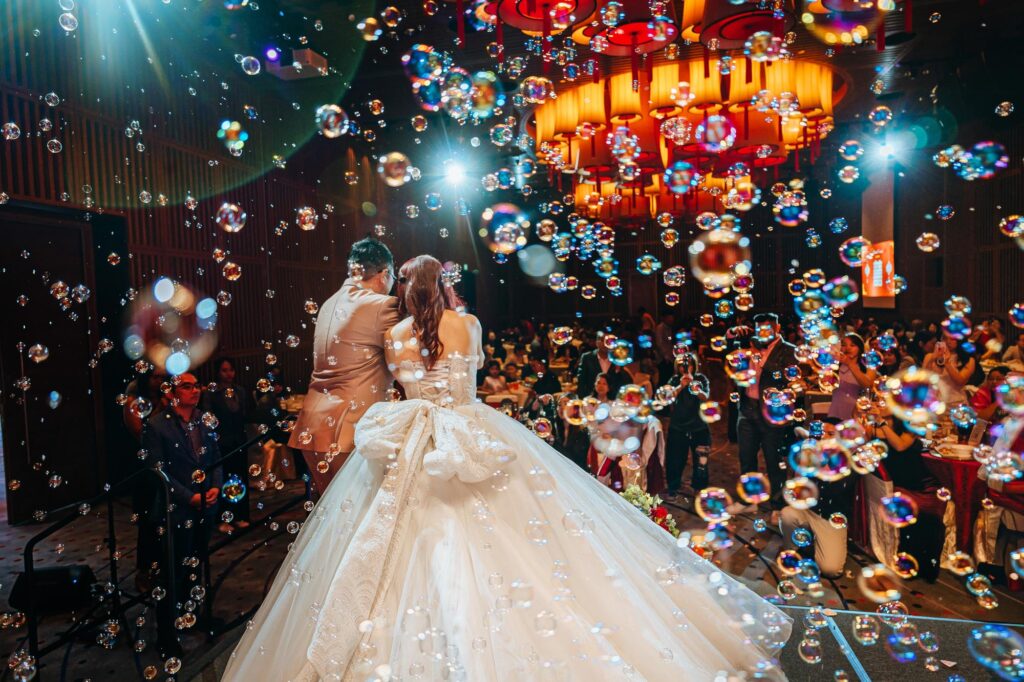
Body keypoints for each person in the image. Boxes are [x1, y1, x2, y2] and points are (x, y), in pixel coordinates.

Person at [222, 255, 792, 681]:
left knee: (394, 540)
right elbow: (469, 370)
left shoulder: (393, 336)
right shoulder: (466, 325)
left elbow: (401, 381)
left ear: (404, 290)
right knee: (529, 536)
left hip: (414, 438)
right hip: (469, 430)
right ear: (443, 286)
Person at [287, 237, 401, 495]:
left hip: (312, 428)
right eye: (393, 277)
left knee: (331, 512)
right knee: (359, 513)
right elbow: (409, 355)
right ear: (384, 274)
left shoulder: (328, 303)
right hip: (349, 431)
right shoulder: (382, 305)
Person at [141, 372, 222, 657]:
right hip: (173, 510)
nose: (195, 390)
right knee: (171, 573)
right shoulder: (156, 425)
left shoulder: (204, 419)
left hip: (205, 506)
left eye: (196, 385)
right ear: (171, 392)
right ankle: (166, 634)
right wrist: (190, 497)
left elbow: (216, 458)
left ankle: (194, 618)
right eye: (187, 386)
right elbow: (157, 472)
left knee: (196, 565)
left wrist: (215, 487)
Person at [732, 313, 797, 518]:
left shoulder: (789, 350)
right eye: (759, 329)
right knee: (746, 458)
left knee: (773, 460)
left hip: (772, 412)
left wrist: (759, 359)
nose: (762, 333)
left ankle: (777, 506)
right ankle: (749, 501)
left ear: (777, 329)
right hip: (747, 408)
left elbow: (784, 376)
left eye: (767, 329)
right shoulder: (749, 347)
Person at [201, 356, 254, 532]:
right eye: (224, 370)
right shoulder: (211, 392)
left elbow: (245, 414)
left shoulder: (240, 391)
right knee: (222, 478)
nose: (228, 374)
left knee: (240, 477)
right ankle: (222, 518)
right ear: (217, 372)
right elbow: (208, 416)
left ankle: (240, 515)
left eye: (231, 370)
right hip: (220, 442)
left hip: (239, 440)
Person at [664, 353, 712, 498]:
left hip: (699, 427)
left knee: (701, 462)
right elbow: (667, 397)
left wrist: (694, 387)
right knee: (675, 460)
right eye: (681, 366)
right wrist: (681, 385)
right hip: (678, 426)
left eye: (688, 365)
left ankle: (699, 489)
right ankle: (673, 488)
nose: (684, 369)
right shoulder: (674, 380)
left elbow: (706, 397)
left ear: (694, 366)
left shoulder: (701, 379)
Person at [828, 334, 877, 421]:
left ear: (860, 348)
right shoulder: (835, 365)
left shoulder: (868, 366)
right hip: (835, 410)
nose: (848, 348)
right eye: (844, 345)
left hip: (857, 413)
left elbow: (867, 385)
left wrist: (850, 363)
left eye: (852, 345)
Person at [922, 333, 977, 405]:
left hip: (955, 402)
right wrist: (932, 359)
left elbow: (960, 382)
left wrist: (947, 363)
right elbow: (924, 380)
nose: (948, 342)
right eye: (945, 338)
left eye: (952, 339)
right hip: (933, 402)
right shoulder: (929, 356)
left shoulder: (969, 360)